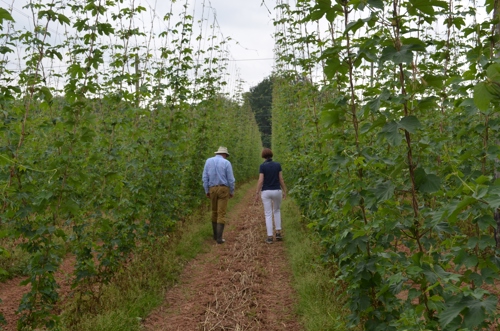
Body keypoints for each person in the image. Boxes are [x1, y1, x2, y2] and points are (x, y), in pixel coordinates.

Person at [202, 146, 235, 244]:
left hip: (212, 188)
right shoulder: (226, 163)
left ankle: (215, 236)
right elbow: (231, 179)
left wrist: (206, 190)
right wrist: (231, 191)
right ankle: (219, 238)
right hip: (223, 189)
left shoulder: (208, 161)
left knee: (214, 211)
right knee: (221, 213)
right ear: (224, 154)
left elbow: (204, 177)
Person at [254, 148, 287, 244]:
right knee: (277, 211)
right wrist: (284, 190)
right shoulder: (277, 165)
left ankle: (269, 236)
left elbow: (260, 181)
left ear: (263, 156)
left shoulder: (262, 166)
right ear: (271, 155)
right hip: (277, 190)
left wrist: (257, 192)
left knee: (268, 213)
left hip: (266, 191)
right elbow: (281, 179)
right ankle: (278, 233)